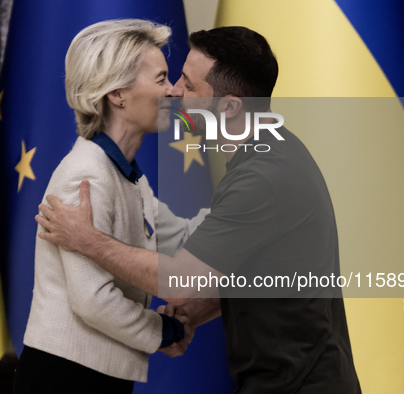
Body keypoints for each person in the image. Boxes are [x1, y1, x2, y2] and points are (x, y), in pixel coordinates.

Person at [35, 26, 362, 393]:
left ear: (230, 106)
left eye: (189, 86)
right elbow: (253, 270)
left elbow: (180, 281)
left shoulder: (261, 177)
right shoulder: (272, 151)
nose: (174, 91)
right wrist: (193, 313)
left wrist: (88, 240)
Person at [13, 19, 209, 394]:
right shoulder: (84, 177)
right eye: (161, 79)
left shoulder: (127, 177)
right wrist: (165, 331)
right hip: (63, 378)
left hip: (94, 376)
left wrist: (250, 203)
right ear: (117, 94)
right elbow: (93, 300)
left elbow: (182, 239)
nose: (173, 91)